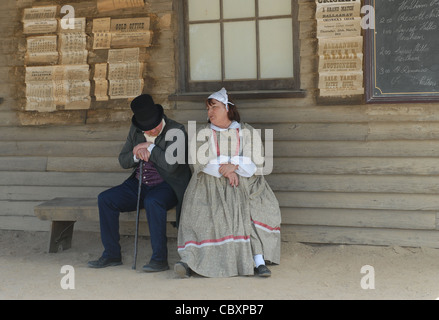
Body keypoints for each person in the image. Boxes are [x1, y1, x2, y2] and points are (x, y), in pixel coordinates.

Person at [175, 88, 281, 278]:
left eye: (214, 107)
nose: (210, 113)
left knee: (252, 209)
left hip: (244, 183)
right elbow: (199, 161)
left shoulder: (247, 132)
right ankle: (190, 261)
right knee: (199, 214)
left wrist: (234, 166)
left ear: (227, 108)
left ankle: (258, 260)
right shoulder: (203, 133)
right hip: (208, 185)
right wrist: (226, 169)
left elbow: (256, 163)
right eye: (208, 109)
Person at [88, 94, 192, 272]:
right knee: (105, 199)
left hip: (168, 184)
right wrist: (136, 153)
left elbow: (172, 165)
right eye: (147, 129)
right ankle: (112, 254)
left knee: (153, 201)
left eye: (155, 127)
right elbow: (123, 160)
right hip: (139, 182)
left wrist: (150, 148)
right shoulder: (135, 131)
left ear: (160, 117)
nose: (151, 131)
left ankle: (159, 259)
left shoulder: (177, 130)